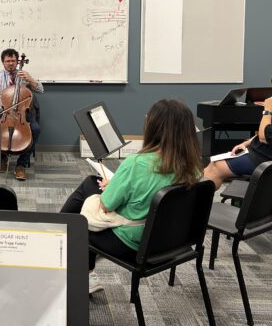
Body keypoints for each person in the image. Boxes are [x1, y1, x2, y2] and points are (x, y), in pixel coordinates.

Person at [60, 99, 202, 294]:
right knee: (92, 182)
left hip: (133, 244)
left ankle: (77, 261)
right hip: (171, 242)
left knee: (78, 219)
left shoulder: (136, 163)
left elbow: (107, 205)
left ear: (154, 127)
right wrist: (118, 182)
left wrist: (116, 183)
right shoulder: (193, 168)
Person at [0, 48, 43, 181]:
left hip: (22, 113)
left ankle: (21, 164)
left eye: (13, 61)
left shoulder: (24, 75)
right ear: (3, 62)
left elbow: (41, 89)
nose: (10, 63)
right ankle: (2, 157)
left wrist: (31, 80)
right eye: (7, 61)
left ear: (17, 62)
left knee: (36, 129)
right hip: (3, 112)